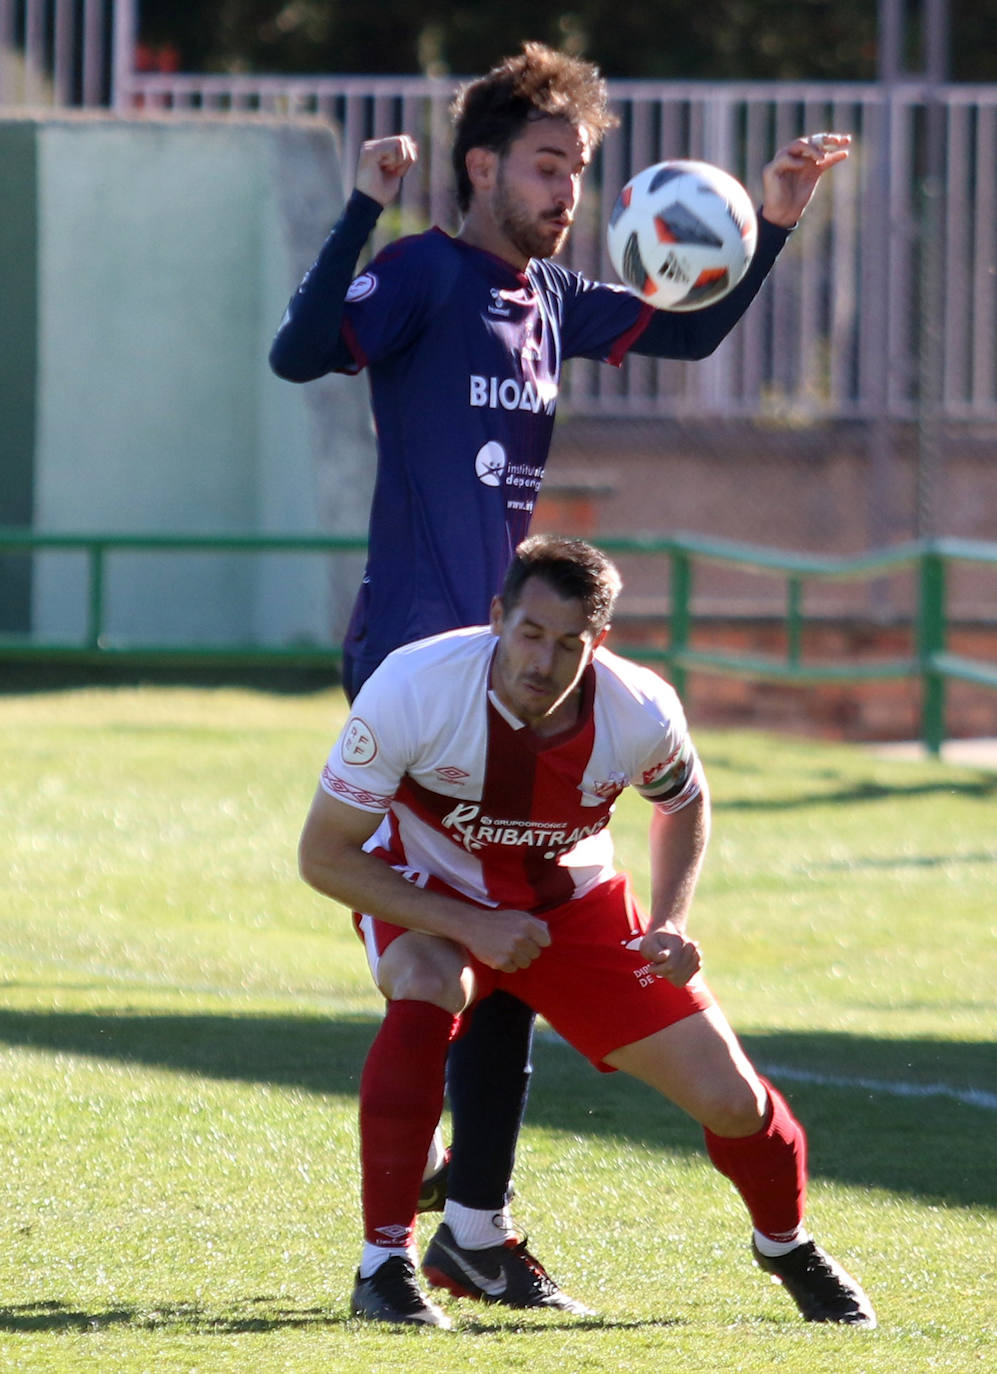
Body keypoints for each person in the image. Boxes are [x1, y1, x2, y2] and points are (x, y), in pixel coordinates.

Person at [270, 41, 851, 1312]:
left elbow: (693, 339)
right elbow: (300, 351)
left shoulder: (551, 300)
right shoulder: (422, 272)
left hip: (525, 668)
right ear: (480, 166)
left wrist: (772, 225)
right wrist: (367, 202)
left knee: (513, 937)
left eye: (580, 171)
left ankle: (470, 1218)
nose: (569, 192)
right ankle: (452, 1216)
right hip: (424, 668)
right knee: (461, 952)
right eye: (548, 166)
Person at [298, 534, 877, 1330]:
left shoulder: (638, 708)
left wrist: (671, 922)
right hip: (426, 897)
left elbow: (682, 803)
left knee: (734, 1100)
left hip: (574, 910)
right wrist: (473, 924)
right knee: (429, 984)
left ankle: (786, 1245)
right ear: (498, 616)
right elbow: (324, 856)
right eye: (529, 633)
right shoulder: (414, 686)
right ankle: (384, 1267)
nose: (541, 660)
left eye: (568, 643)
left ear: (597, 642)